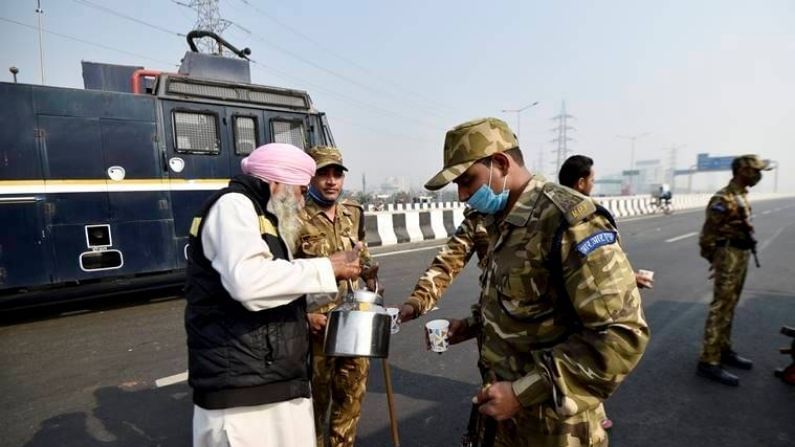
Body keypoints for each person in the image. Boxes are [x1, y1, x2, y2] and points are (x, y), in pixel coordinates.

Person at [411, 117, 649, 446]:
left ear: (500, 163)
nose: (463, 195)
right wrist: (469, 326)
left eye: (467, 180)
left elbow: (621, 335)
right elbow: (522, 305)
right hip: (504, 416)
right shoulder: (500, 221)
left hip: (555, 426)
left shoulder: (569, 222)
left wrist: (522, 393)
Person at [184, 143, 363, 447]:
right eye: (301, 189)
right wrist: (326, 268)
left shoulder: (261, 214)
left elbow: (277, 289)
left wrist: (334, 289)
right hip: (244, 393)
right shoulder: (234, 206)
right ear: (277, 181)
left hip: (269, 382)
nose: (301, 198)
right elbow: (249, 284)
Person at [294, 146, 377, 447]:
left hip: (353, 325)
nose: (331, 181)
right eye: (323, 174)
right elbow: (282, 274)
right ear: (310, 178)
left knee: (350, 400)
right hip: (318, 330)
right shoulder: (295, 217)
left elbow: (363, 254)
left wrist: (372, 279)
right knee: (313, 408)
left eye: (337, 174)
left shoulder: (352, 212)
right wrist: (302, 317)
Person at [696, 154, 772, 386]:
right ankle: (708, 360)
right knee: (720, 307)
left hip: (740, 254)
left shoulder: (741, 195)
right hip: (727, 255)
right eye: (756, 171)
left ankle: (723, 349)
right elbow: (707, 236)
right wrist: (716, 260)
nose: (759, 176)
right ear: (743, 171)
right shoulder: (723, 198)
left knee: (731, 304)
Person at [558, 155, 655, 290]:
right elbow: (603, 266)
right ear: (581, 183)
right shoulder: (588, 217)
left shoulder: (549, 213)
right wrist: (631, 278)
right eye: (592, 181)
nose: (593, 185)